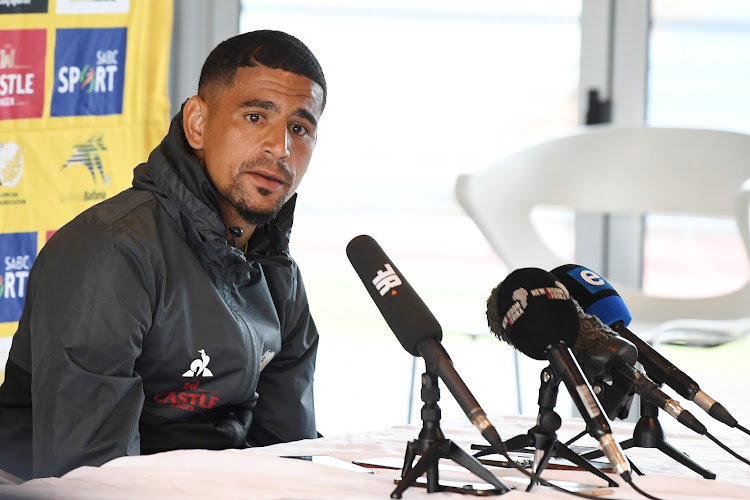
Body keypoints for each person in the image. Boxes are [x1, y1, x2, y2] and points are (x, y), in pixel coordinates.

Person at [0, 29, 326, 480]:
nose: (280, 147)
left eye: (300, 128)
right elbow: (90, 475)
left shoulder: (279, 276)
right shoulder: (113, 249)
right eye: (255, 117)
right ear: (197, 123)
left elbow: (289, 452)